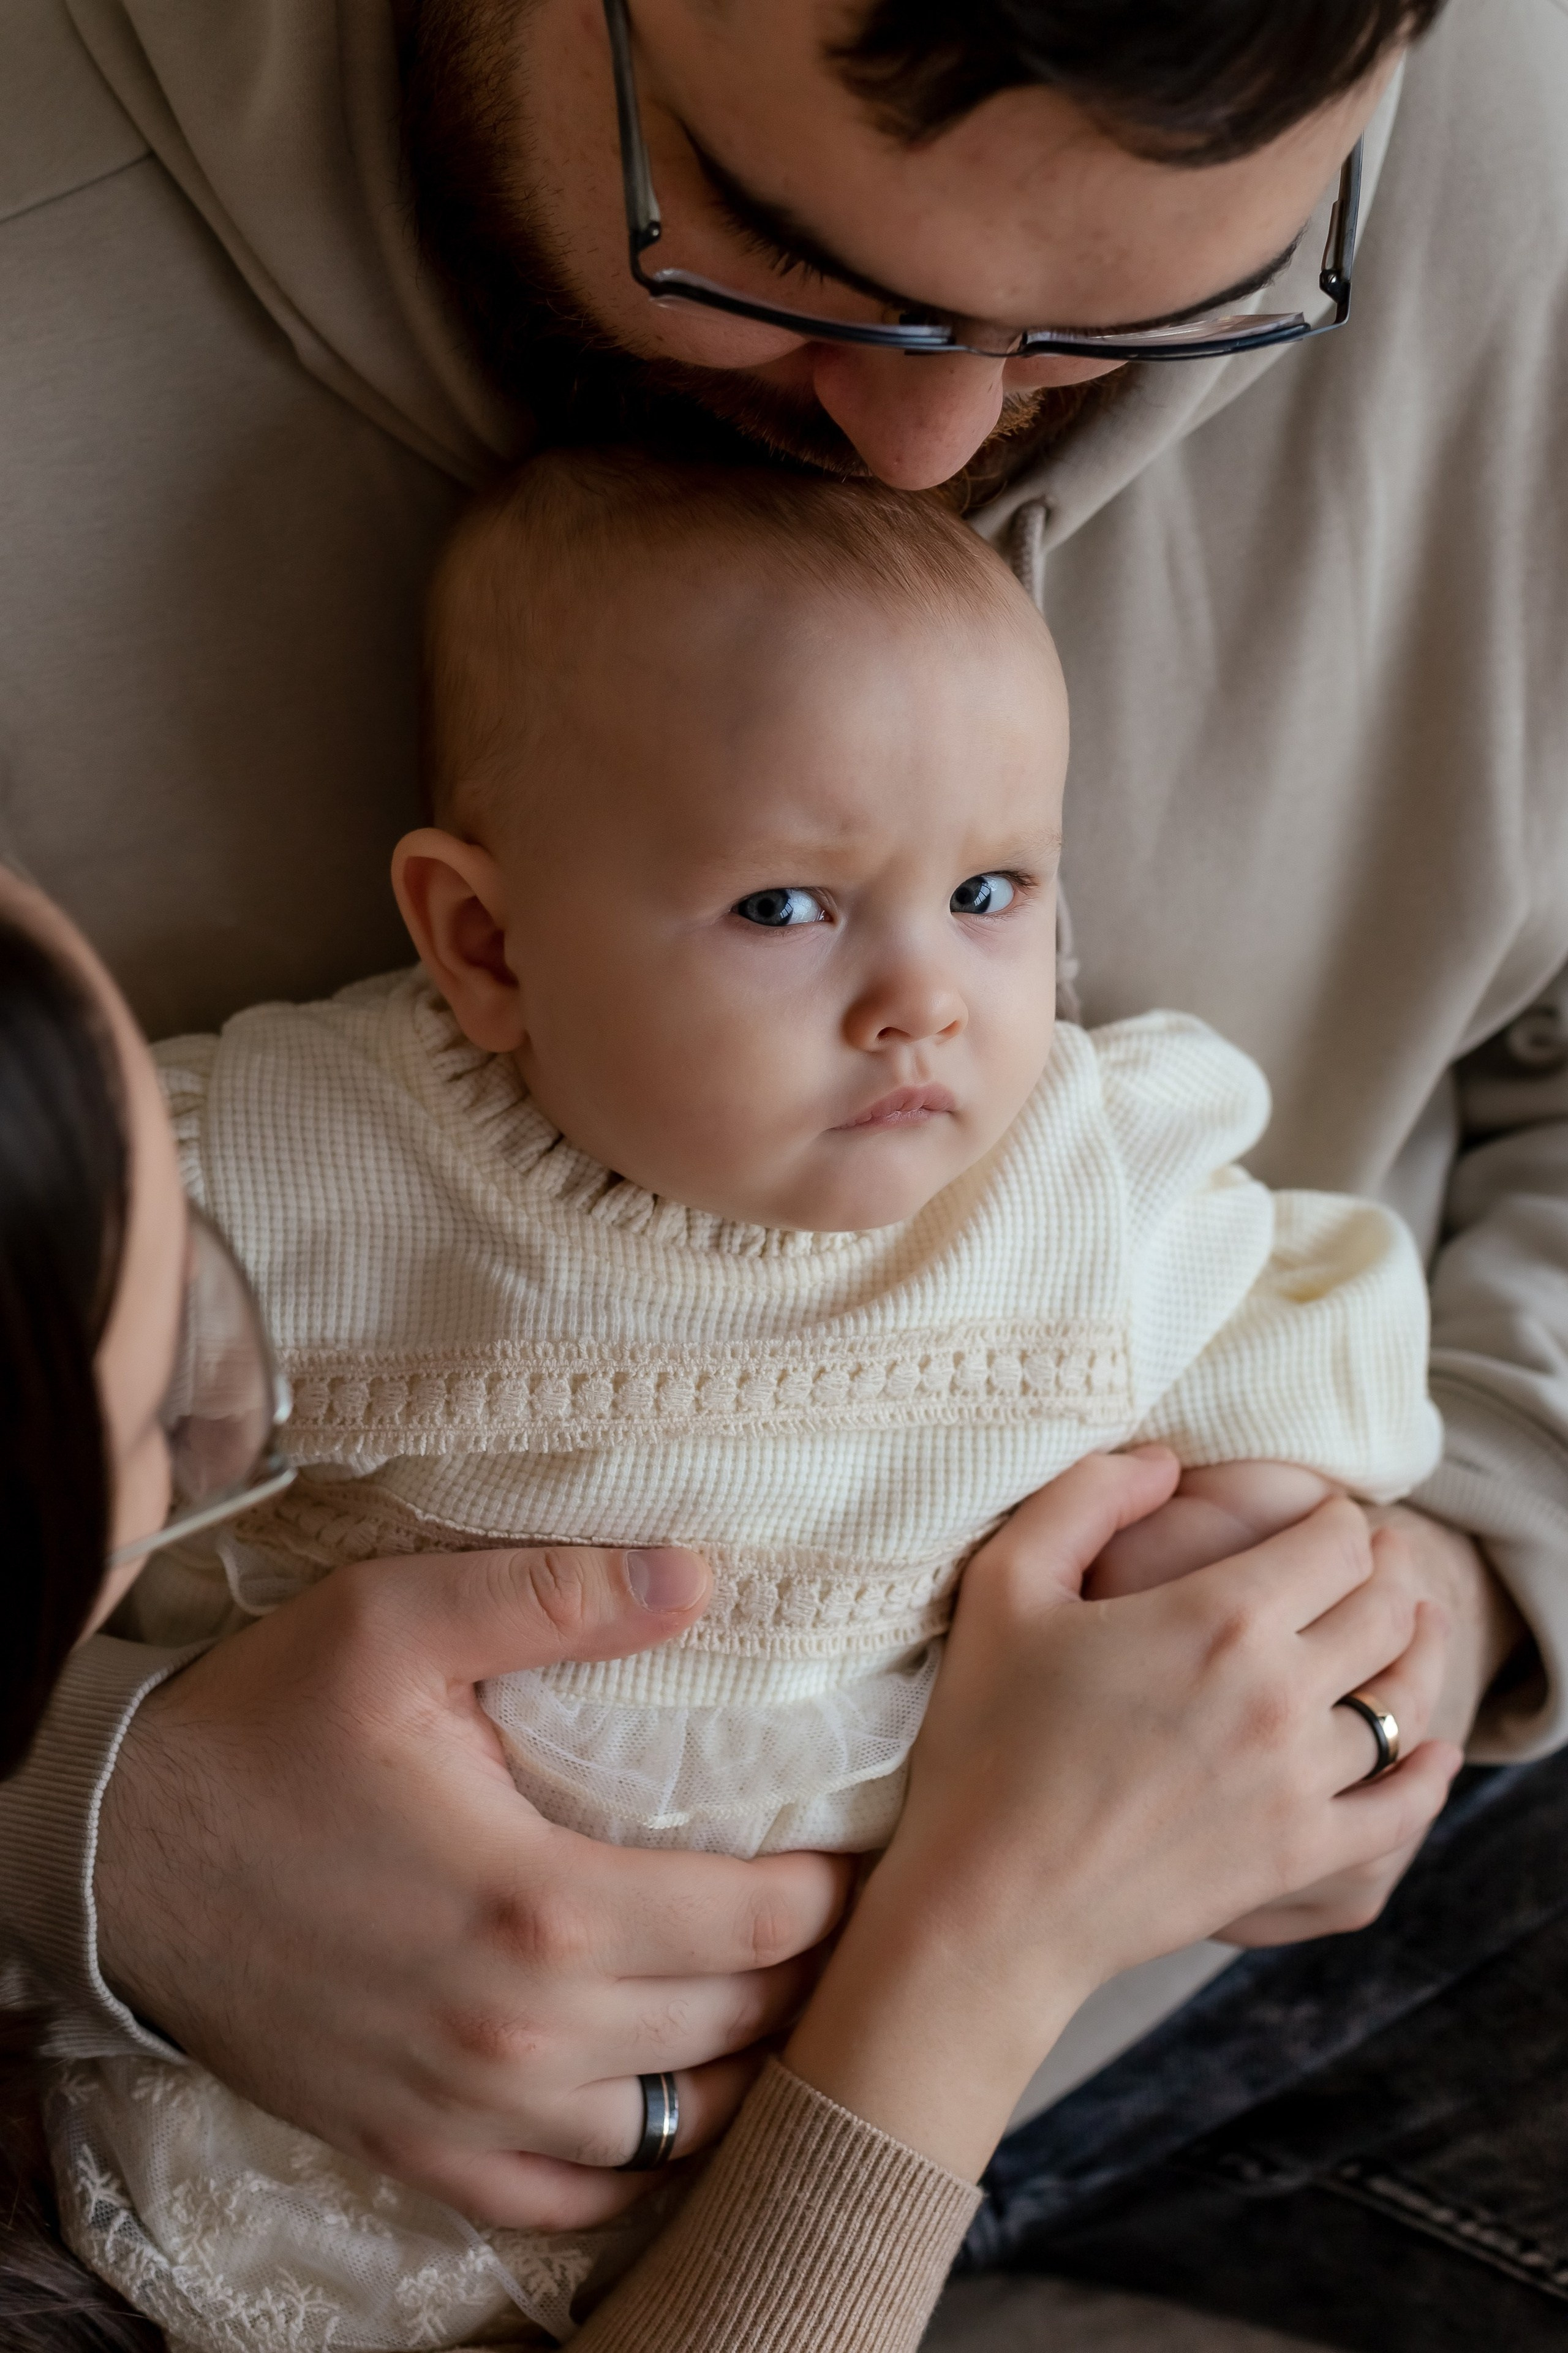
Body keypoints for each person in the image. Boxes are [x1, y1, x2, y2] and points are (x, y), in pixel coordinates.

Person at [3, 0, 1566, 2341]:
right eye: (771, 237)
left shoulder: (1526, 167)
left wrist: (1439, 1602)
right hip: (258, 2137)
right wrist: (75, 1824)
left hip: (1334, 1956)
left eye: (1154, 314)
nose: (933, 439)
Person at [0, 860, 1459, 2353]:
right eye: (163, 1423)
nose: (230, 1422)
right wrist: (994, 1930)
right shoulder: (289, 1159)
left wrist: (1432, 1595)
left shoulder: (1106, 1177)